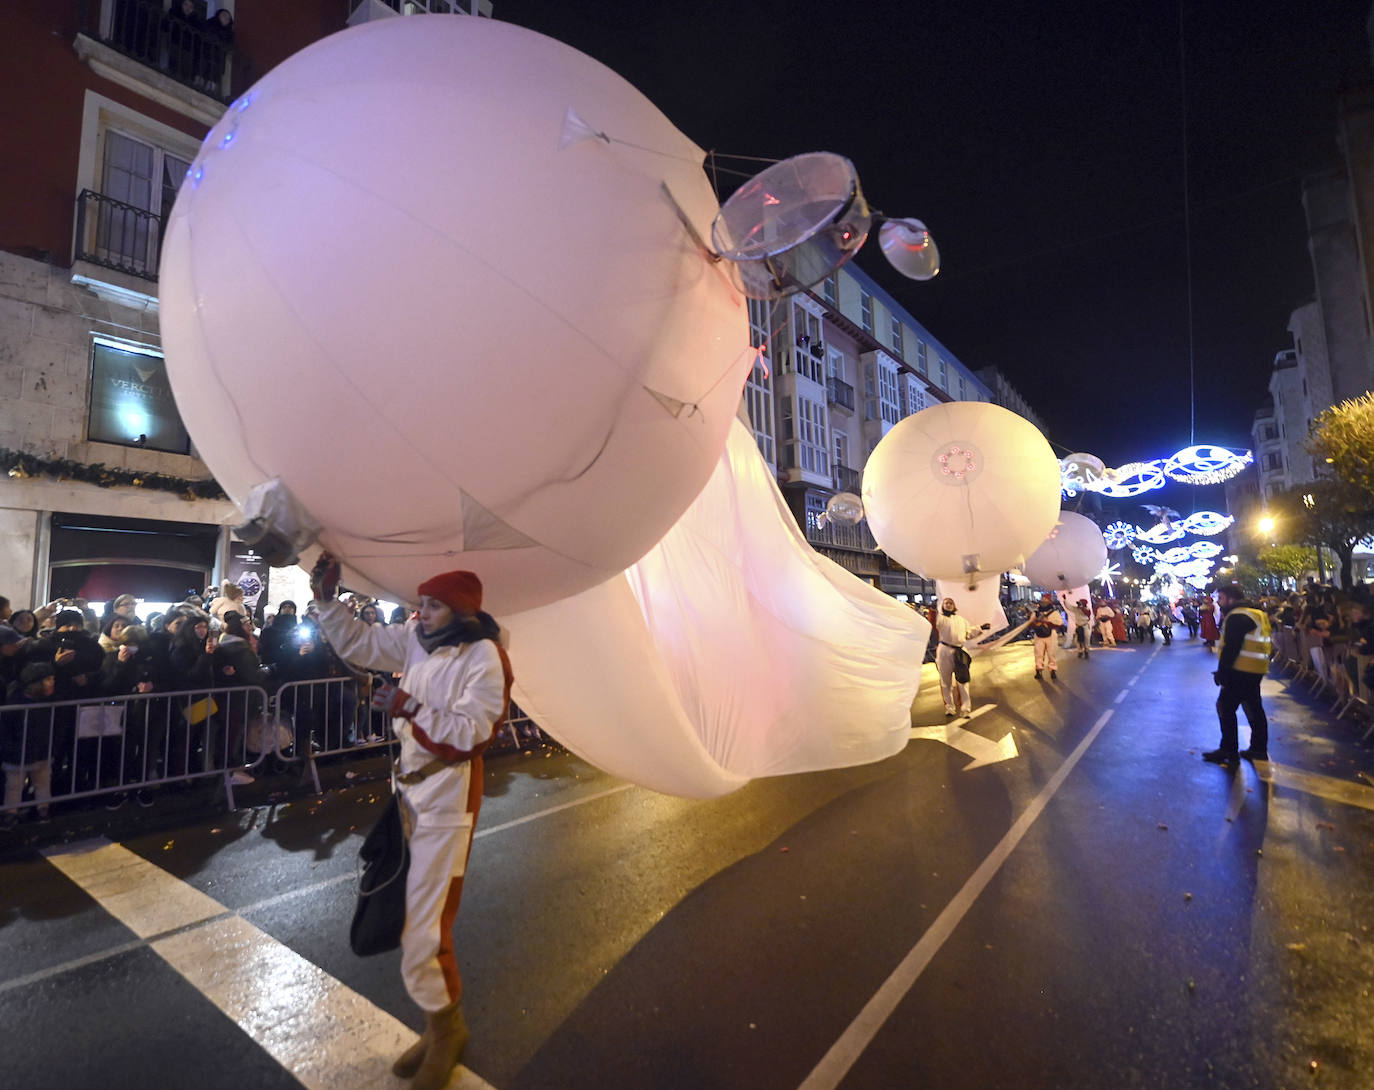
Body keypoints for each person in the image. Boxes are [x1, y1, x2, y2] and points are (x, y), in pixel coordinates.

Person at [309, 553, 512, 1090]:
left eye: (434, 604)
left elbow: (473, 734)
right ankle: (439, 1024)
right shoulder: (416, 639)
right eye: (420, 602)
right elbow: (360, 643)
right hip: (408, 798)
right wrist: (327, 603)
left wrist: (409, 706)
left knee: (424, 931)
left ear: (461, 611)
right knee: (411, 923)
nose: (421, 612)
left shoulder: (485, 655)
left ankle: (448, 1034)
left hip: (447, 803)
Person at [1203, 583, 1272, 764]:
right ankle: (1258, 749)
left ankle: (1228, 750)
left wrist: (1222, 672)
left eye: (1221, 598)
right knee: (1254, 708)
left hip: (1240, 669)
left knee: (1225, 707)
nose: (1219, 602)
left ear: (1231, 598)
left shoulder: (1237, 616)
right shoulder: (1257, 614)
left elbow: (1231, 647)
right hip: (1256, 668)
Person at [935, 596, 990, 716]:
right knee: (946, 681)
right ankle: (949, 707)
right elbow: (935, 623)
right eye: (946, 603)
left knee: (963, 680)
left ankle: (965, 708)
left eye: (950, 603)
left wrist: (981, 628)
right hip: (944, 651)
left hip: (959, 651)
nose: (948, 605)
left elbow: (968, 633)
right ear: (942, 606)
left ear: (954, 606)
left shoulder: (961, 620)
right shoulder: (940, 619)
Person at [1028, 595, 1062, 681]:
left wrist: (1047, 622)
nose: (1043, 601)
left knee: (1051, 653)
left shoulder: (1054, 612)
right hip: (1039, 635)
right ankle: (1039, 669)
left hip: (1051, 634)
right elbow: (1030, 623)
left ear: (1049, 601)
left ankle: (1052, 669)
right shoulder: (1036, 612)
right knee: (1038, 653)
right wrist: (1035, 622)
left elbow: (1059, 623)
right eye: (1043, 599)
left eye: (1046, 599)